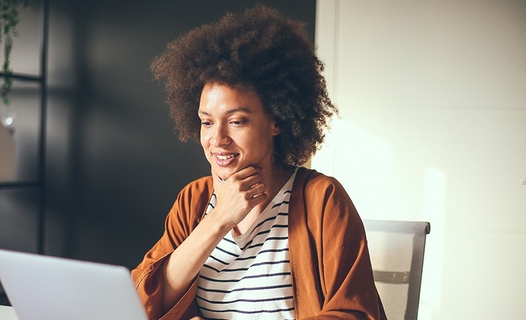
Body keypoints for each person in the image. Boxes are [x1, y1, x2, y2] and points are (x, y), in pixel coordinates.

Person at [132, 5, 386, 320]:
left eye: (237, 121)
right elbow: (141, 305)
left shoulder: (322, 200)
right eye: (207, 122)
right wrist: (217, 221)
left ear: (276, 120)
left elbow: (355, 313)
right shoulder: (194, 201)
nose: (217, 139)